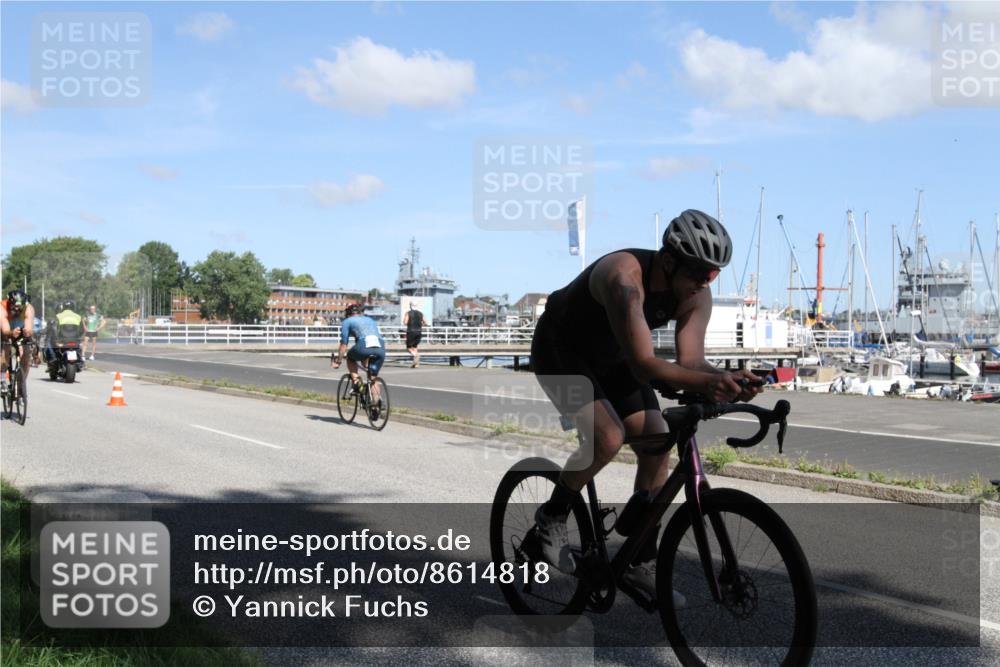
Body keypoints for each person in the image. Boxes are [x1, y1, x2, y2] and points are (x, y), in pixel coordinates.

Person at [529, 209, 763, 601]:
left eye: (714, 274)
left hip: (611, 357)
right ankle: (551, 517)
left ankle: (638, 561)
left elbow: (691, 363)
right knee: (606, 438)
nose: (705, 283)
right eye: (698, 273)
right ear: (668, 261)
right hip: (561, 351)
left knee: (657, 440)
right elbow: (644, 364)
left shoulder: (695, 295)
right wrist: (709, 383)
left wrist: (729, 381)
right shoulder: (625, 279)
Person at [331, 303, 386, 400]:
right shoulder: (370, 320)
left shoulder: (347, 321)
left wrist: (339, 360)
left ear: (347, 314)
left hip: (363, 346)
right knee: (373, 378)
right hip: (380, 347)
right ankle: (376, 405)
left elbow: (344, 344)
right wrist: (365, 363)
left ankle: (356, 382)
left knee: (350, 357)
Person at [1, 289, 37, 388]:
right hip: (6, 331)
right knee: (6, 348)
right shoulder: (2, 307)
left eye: (19, 306)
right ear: (9, 303)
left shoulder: (28, 308)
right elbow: (5, 330)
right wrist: (11, 333)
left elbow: (28, 328)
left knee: (26, 354)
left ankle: (22, 383)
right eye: (14, 306)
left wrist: (26, 332)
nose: (17, 309)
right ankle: (2, 378)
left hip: (20, 331)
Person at [45, 300, 84, 365]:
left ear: (63, 307)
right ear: (73, 307)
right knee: (79, 348)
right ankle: (81, 360)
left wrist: (57, 337)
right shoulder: (78, 316)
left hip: (62, 340)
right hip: (75, 341)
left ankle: (53, 359)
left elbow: (55, 329)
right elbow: (82, 330)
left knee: (51, 345)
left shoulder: (58, 316)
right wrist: (78, 337)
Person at [403, 303, 424, 368]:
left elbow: (405, 322)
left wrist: (405, 320)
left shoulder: (408, 313)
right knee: (415, 347)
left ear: (410, 306)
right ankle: (416, 364)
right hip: (419, 331)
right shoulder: (421, 313)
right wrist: (420, 324)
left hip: (411, 331)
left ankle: (416, 355)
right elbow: (425, 322)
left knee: (409, 347)